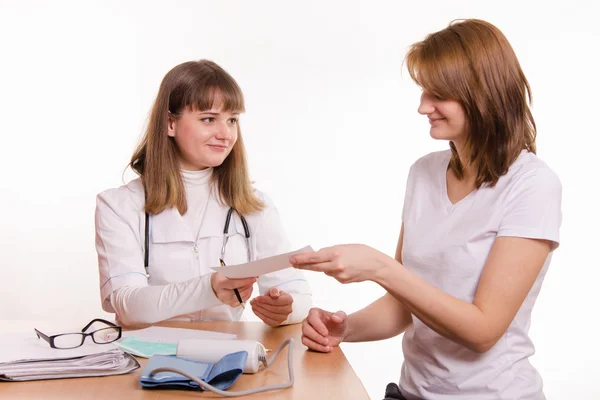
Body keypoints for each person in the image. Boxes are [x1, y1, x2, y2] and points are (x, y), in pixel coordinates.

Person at [290, 19, 561, 400]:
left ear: (482, 94)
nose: (422, 107)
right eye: (423, 91)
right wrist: (345, 328)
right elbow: (405, 308)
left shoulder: (531, 185)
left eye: (438, 94)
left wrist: (381, 267)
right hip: (413, 392)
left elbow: (483, 331)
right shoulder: (424, 172)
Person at [95, 60, 311, 327]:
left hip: (227, 356)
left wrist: (285, 308)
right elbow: (128, 306)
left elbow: (297, 293)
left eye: (232, 120)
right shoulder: (119, 205)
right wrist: (208, 288)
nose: (225, 134)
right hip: (145, 360)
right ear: (169, 124)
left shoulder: (255, 205)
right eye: (209, 119)